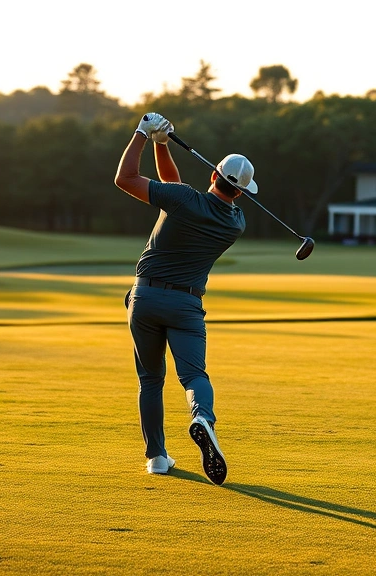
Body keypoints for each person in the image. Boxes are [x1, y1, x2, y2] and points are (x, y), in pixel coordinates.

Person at [113, 112, 256, 485]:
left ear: (213, 175)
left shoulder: (183, 200)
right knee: (194, 374)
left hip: (144, 299)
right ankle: (201, 417)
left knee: (150, 380)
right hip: (187, 306)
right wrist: (163, 145)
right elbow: (173, 187)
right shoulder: (235, 222)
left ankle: (157, 458)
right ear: (239, 191)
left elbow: (125, 179)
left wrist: (143, 134)